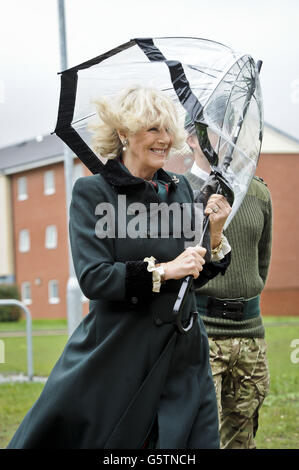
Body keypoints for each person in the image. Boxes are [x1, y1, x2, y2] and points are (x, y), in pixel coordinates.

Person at [8, 86, 232, 449]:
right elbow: (95, 277)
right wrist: (164, 270)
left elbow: (193, 272)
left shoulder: (179, 190)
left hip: (183, 352)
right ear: (124, 133)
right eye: (153, 129)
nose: (165, 139)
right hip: (121, 353)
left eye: (168, 129)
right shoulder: (93, 193)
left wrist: (215, 236)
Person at [185, 127, 272, 449]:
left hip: (250, 335)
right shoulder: (177, 192)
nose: (228, 140)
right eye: (216, 132)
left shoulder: (258, 192)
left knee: (243, 435)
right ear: (192, 138)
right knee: (199, 435)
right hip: (200, 334)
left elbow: (261, 262)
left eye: (231, 131)